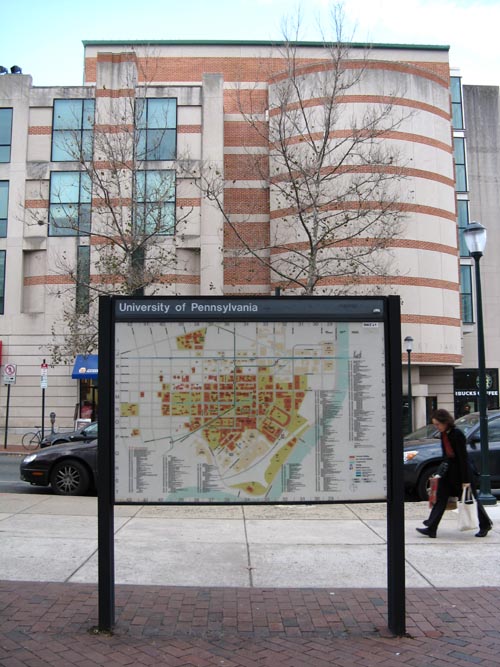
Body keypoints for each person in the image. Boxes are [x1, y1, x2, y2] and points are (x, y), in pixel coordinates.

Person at [417, 408, 493, 539]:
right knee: (440, 498)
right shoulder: (443, 434)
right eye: (435, 424)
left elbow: (463, 458)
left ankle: (485, 524)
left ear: (445, 422)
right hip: (449, 473)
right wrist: (440, 473)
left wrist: (465, 480)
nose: (437, 427)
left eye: (438, 424)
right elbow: (445, 456)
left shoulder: (457, 434)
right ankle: (431, 527)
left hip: (461, 473)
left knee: (470, 499)